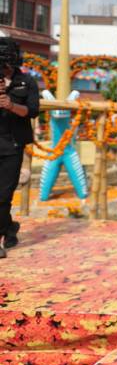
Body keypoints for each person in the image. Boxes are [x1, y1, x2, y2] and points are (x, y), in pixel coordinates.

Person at [0, 38, 39, 259]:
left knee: (3, 196)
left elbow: (33, 110)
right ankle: (9, 227)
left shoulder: (27, 82)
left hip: (13, 146)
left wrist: (10, 105)